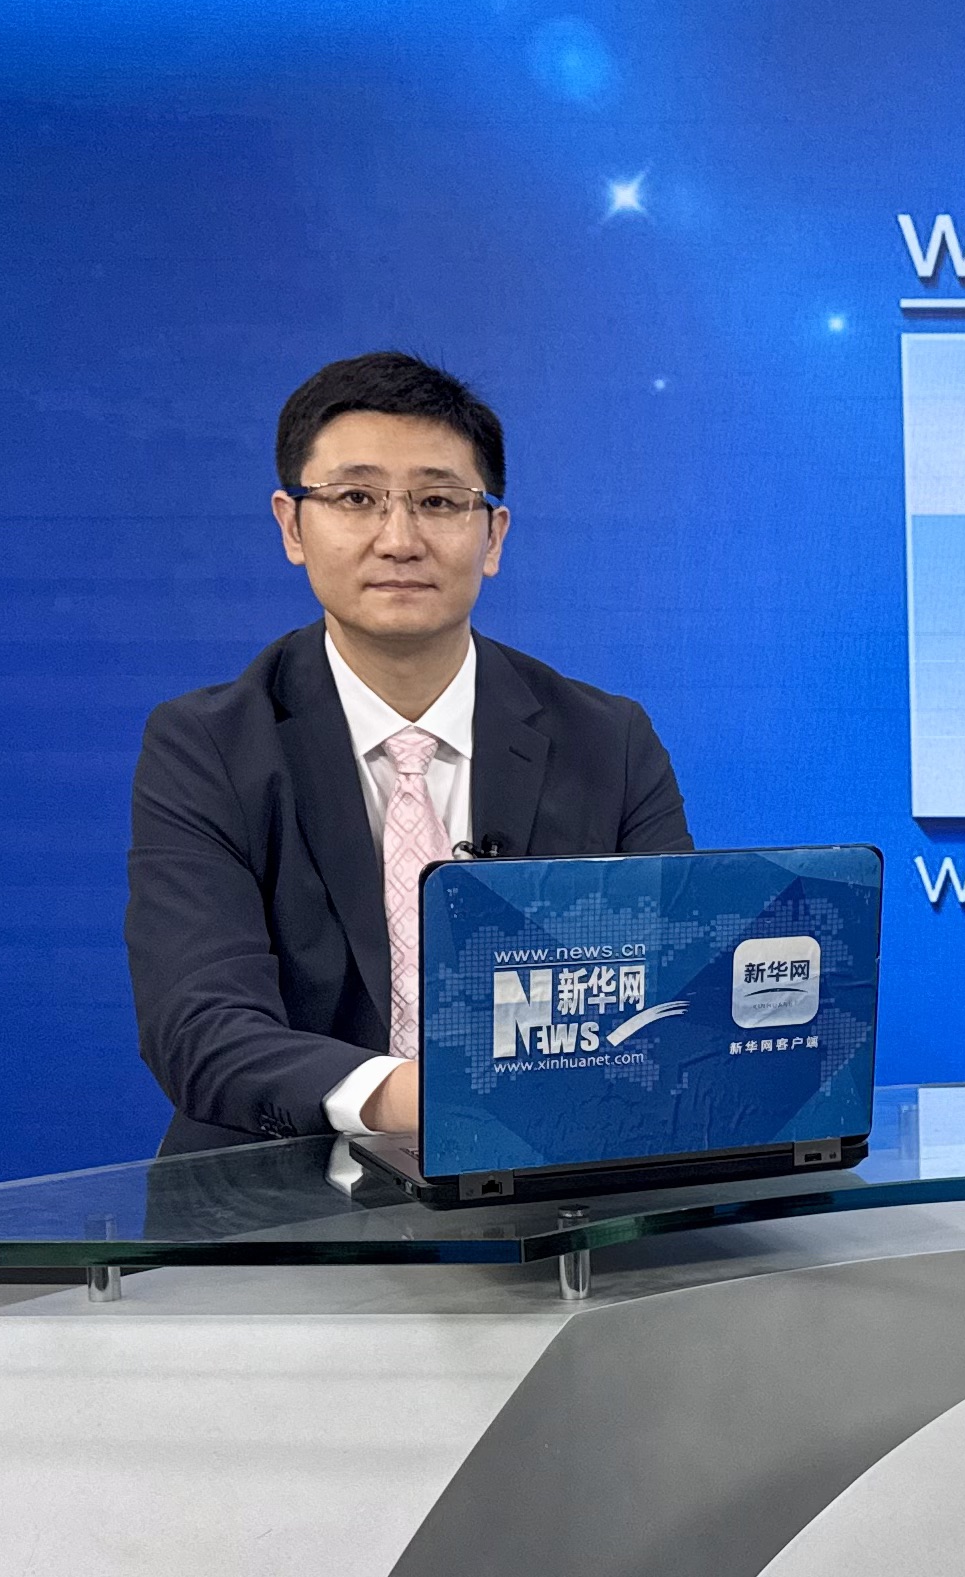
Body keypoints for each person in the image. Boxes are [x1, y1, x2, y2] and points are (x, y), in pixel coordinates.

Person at [127, 351, 691, 1152]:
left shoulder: (608, 740)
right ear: (291, 526)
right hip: (279, 1196)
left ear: (492, 535)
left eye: (438, 501)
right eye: (356, 498)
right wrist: (413, 1096)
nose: (399, 539)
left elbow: (668, 995)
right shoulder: (208, 745)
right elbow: (199, 1026)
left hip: (545, 1181)